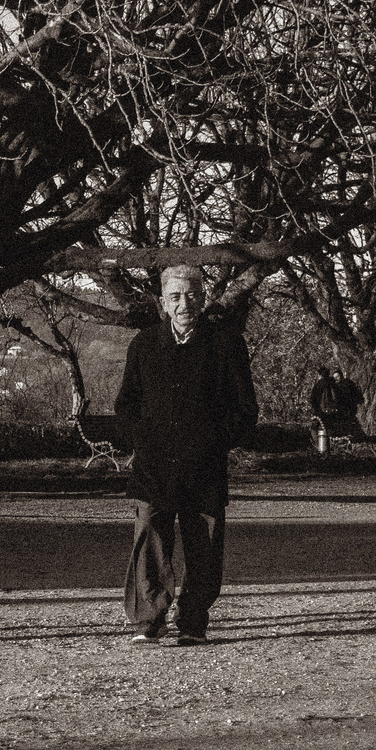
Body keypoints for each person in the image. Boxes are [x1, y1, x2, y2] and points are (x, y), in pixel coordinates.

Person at [115, 266, 258, 646]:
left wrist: (214, 442)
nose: (184, 304)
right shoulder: (144, 344)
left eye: (192, 295)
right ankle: (150, 618)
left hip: (205, 466)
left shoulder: (226, 344)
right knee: (149, 541)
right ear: (163, 301)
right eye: (175, 296)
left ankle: (193, 620)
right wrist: (142, 440)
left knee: (204, 547)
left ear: (204, 297)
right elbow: (126, 405)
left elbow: (245, 411)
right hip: (153, 466)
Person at [332, 367, 364, 436]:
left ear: (341, 376)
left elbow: (355, 394)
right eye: (334, 377)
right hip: (340, 410)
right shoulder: (334, 387)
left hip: (349, 408)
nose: (336, 378)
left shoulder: (348, 383)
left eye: (337, 376)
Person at [308, 367, 340, 434]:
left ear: (320, 375)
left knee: (314, 428)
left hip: (321, 413)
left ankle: (318, 443)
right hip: (335, 413)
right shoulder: (334, 384)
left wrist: (316, 410)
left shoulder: (318, 385)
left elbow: (312, 400)